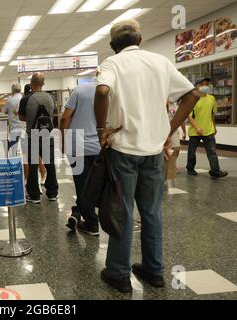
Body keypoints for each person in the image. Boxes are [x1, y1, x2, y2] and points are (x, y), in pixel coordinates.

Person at [94, 19, 200, 293]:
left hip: (123, 151)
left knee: (124, 211)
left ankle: (118, 273)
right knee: (152, 212)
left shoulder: (111, 64)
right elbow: (192, 94)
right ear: (139, 40)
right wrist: (169, 130)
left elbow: (103, 90)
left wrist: (102, 129)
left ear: (113, 45)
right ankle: (154, 270)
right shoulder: (161, 62)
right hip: (154, 151)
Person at [61, 77, 101, 236]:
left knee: (82, 185)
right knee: (93, 185)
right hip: (99, 145)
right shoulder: (111, 92)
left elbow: (65, 117)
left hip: (78, 145)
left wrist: (64, 141)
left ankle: (92, 223)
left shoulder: (80, 90)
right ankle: (77, 212)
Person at [19, 73, 58, 204]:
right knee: (50, 164)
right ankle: (52, 193)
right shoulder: (51, 97)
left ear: (31, 83)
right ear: (43, 83)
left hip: (33, 136)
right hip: (48, 135)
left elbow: (21, 117)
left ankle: (34, 195)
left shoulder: (26, 99)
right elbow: (53, 114)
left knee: (33, 165)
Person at [187, 78, 228, 179]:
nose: (205, 86)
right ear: (196, 86)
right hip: (195, 131)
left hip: (208, 130)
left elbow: (212, 114)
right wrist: (197, 127)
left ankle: (215, 171)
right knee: (192, 151)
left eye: (206, 84)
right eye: (202, 84)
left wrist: (214, 127)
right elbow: (189, 116)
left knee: (212, 151)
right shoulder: (193, 99)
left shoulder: (211, 99)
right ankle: (190, 168)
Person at [4, 83, 23, 154]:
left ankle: (13, 159)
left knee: (14, 144)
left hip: (13, 125)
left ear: (13, 90)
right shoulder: (22, 98)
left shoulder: (10, 99)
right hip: (22, 125)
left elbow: (5, 111)